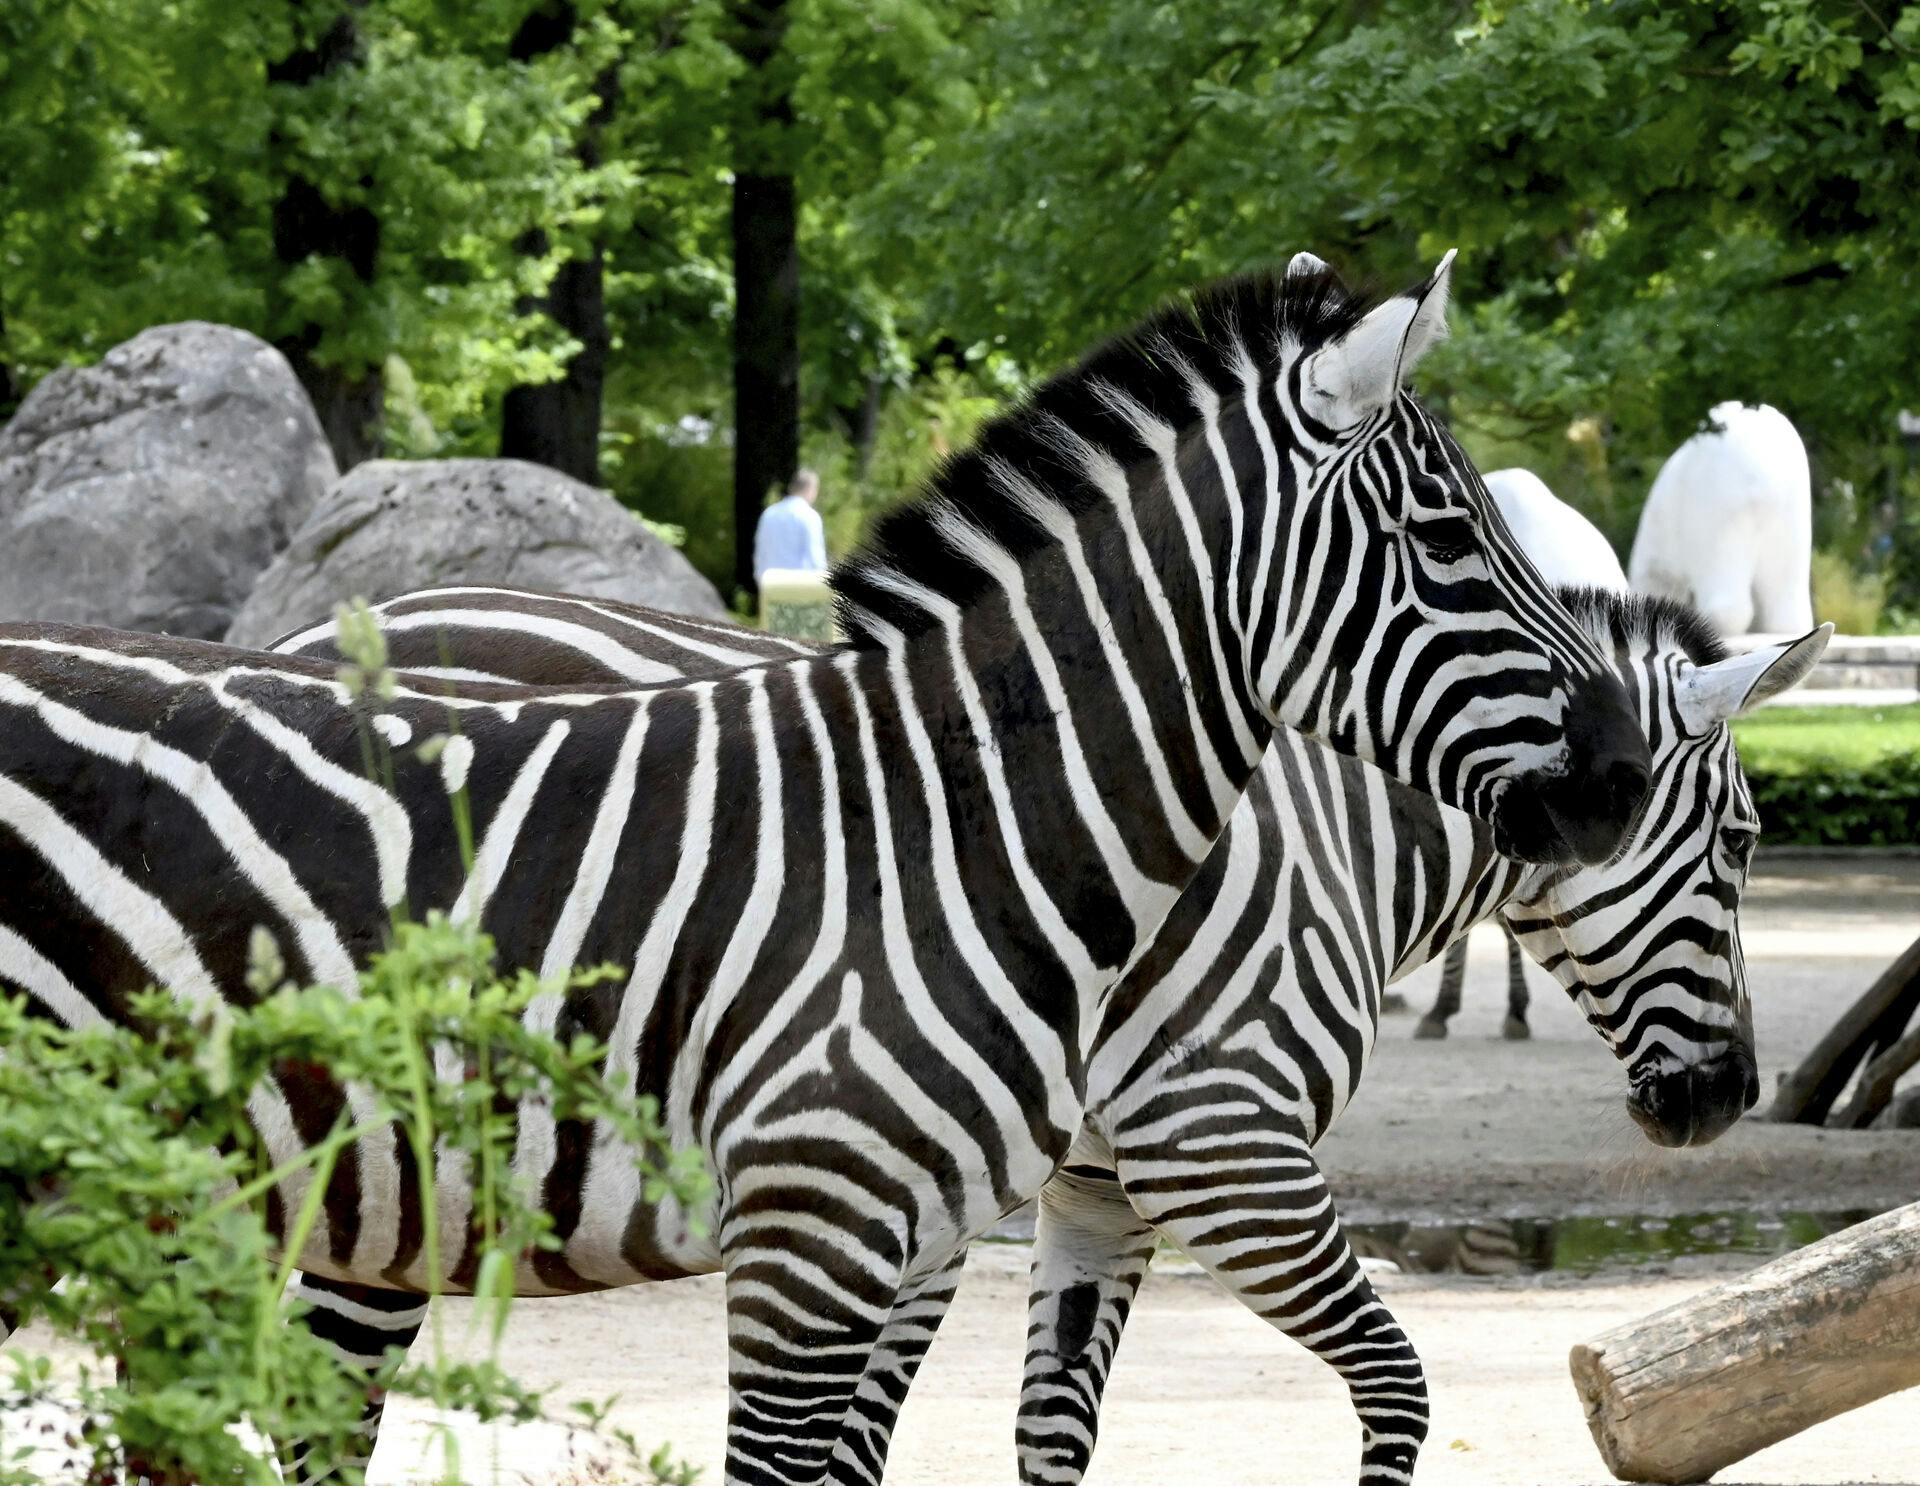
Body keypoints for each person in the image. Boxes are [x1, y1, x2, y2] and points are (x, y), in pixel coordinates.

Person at [753, 468, 827, 583]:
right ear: (810, 489)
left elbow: (760, 552)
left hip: (770, 585)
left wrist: (760, 580)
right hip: (799, 587)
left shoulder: (769, 513)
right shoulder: (809, 516)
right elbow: (815, 558)